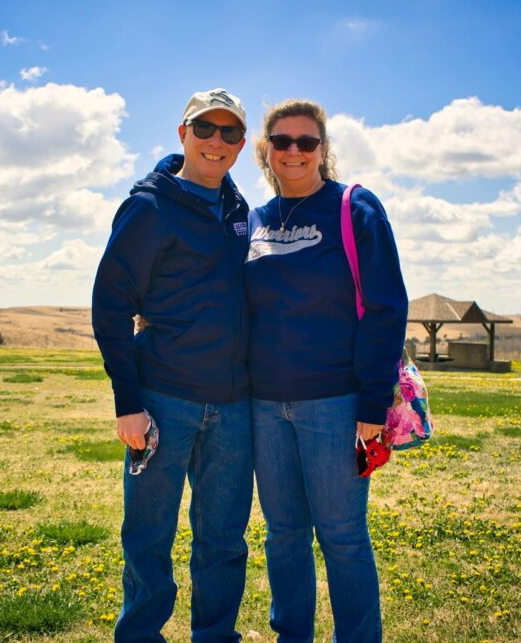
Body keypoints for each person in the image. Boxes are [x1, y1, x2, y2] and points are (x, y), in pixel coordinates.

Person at [92, 88, 253, 643]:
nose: (216, 141)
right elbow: (111, 306)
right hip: (163, 400)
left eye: (229, 132)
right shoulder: (149, 208)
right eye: (204, 128)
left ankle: (215, 636)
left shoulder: (239, 212)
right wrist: (128, 405)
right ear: (181, 133)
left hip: (234, 409)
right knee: (148, 537)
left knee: (225, 540)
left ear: (240, 145)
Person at [244, 99, 408, 643]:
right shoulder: (255, 220)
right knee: (284, 536)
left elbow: (387, 308)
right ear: (267, 149)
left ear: (322, 149)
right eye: (282, 141)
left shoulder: (354, 208)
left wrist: (370, 406)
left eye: (306, 142)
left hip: (335, 406)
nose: (294, 151)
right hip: (265, 407)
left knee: (342, 537)